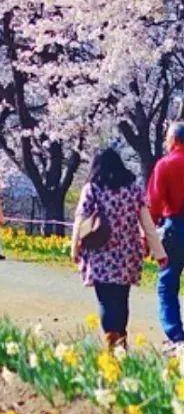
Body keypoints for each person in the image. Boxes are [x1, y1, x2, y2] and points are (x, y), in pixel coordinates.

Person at [70, 148, 166, 350]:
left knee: (105, 301)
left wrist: (74, 248)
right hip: (127, 253)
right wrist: (159, 253)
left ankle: (110, 344)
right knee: (122, 299)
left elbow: (80, 218)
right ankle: (121, 341)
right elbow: (147, 224)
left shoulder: (93, 188)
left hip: (101, 252)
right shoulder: (133, 188)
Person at [147, 121, 184, 346]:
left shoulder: (165, 165)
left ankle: (176, 336)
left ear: (173, 141)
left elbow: (153, 205)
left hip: (176, 228)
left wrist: (147, 238)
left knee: (168, 283)